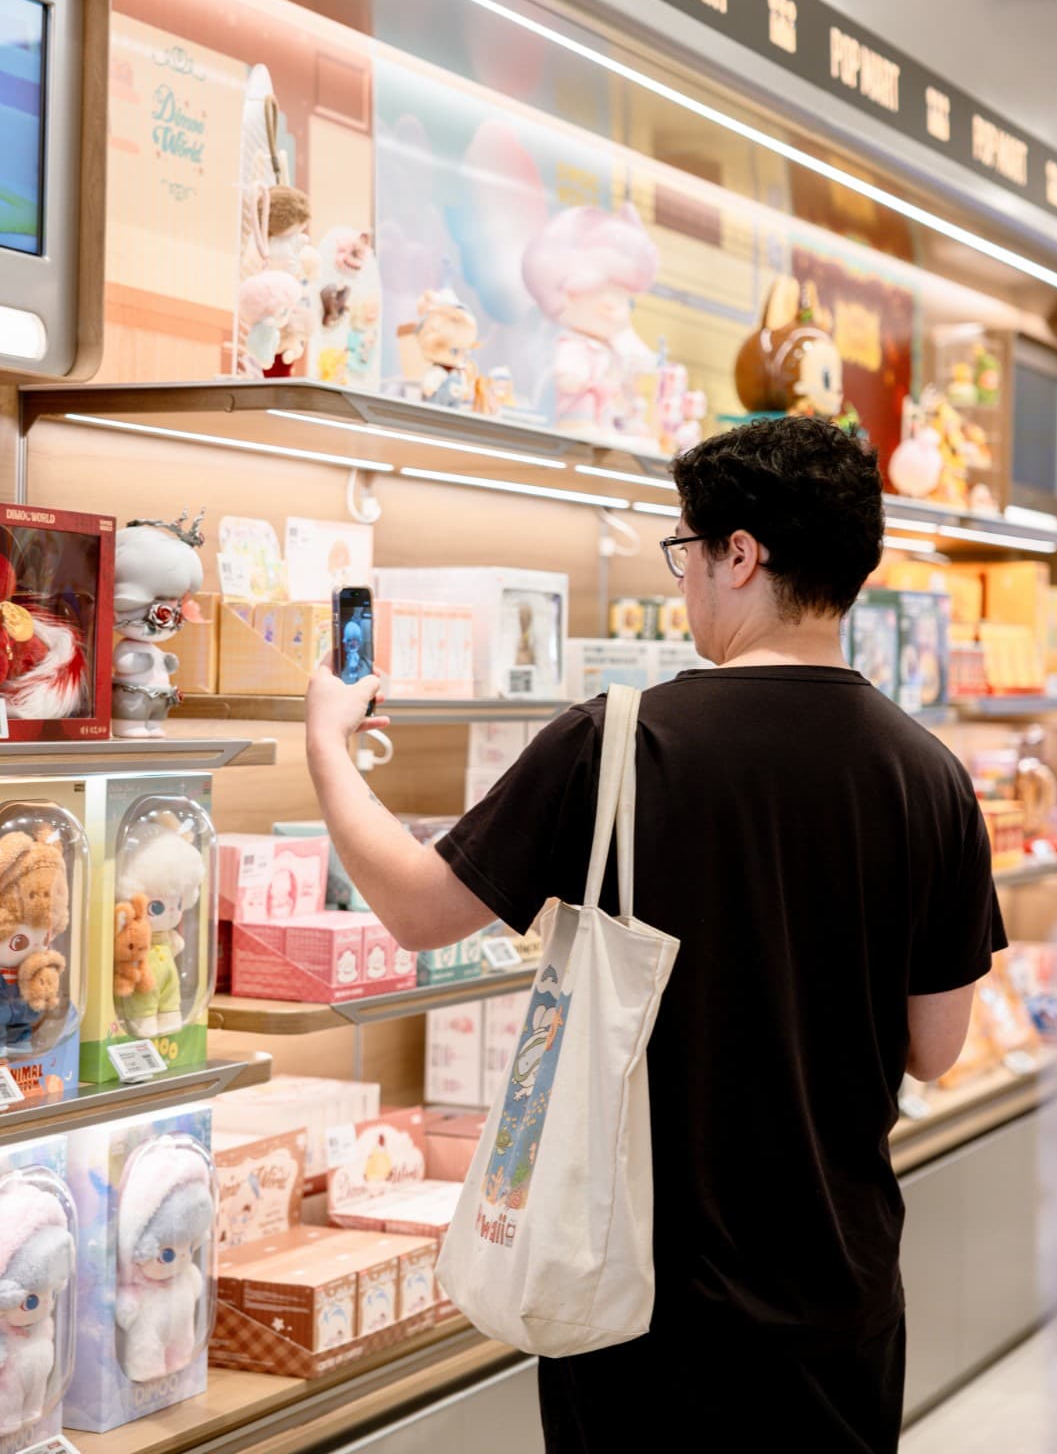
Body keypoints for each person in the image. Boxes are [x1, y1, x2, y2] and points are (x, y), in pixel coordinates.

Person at [305, 415, 1005, 1453]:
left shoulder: (617, 744)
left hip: (632, 1299)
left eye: (685, 548)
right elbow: (935, 1048)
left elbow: (415, 906)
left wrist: (326, 739)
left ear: (739, 554)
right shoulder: (929, 776)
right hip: (839, 1297)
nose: (681, 578)